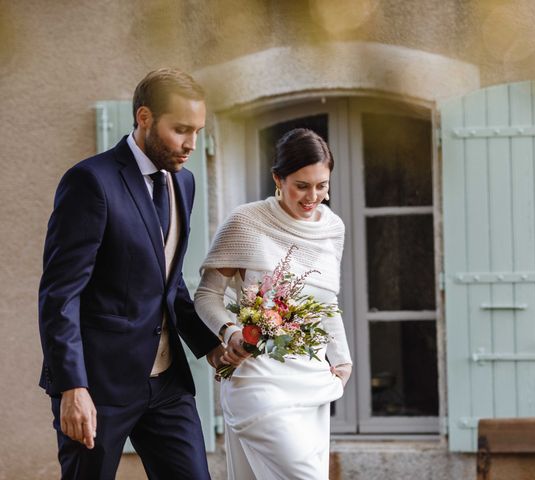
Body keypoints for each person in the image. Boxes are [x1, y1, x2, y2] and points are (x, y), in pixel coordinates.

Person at [38, 68, 229, 479]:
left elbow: (168, 280)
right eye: (180, 130)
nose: (191, 144)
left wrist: (209, 344)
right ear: (144, 118)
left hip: (167, 385)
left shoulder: (185, 183)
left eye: (197, 131)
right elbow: (60, 296)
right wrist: (73, 387)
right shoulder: (91, 181)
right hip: (98, 386)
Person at [195, 128, 353, 480]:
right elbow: (206, 295)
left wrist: (342, 360)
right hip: (257, 381)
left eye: (322, 185)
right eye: (302, 185)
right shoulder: (245, 222)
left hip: (311, 382)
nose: (314, 197)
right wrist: (231, 331)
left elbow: (326, 301)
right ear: (277, 179)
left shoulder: (333, 228)